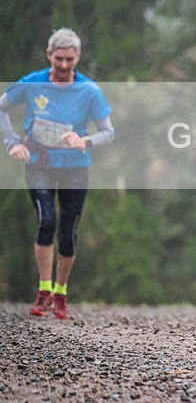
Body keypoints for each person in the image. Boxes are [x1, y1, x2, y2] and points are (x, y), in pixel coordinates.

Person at [0, 28, 114, 319]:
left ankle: (61, 292)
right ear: (48, 55)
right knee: (46, 219)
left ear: (78, 57)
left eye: (69, 60)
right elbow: (2, 107)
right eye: (58, 59)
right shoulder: (33, 83)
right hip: (39, 164)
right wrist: (12, 141)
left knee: (67, 232)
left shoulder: (89, 90)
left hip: (75, 167)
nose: (63, 65)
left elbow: (108, 132)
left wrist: (85, 141)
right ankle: (44, 289)